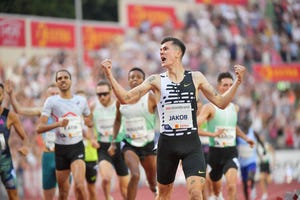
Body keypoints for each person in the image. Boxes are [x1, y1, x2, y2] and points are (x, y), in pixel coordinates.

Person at [101, 36, 246, 200]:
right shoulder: (156, 80)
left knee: (196, 193)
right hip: (167, 144)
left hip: (191, 143)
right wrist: (109, 75)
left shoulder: (196, 77)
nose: (161, 51)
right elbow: (126, 99)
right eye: (160, 49)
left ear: (177, 53)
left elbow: (220, 102)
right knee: (163, 195)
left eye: (165, 49)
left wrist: (238, 81)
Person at [36, 69, 93, 200]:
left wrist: (89, 123)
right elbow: (39, 128)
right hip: (60, 150)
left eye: (65, 77)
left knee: (79, 185)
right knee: (63, 192)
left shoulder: (81, 100)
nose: (63, 80)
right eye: (59, 78)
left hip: (77, 147)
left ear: (70, 81)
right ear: (56, 82)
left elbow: (90, 120)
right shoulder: (51, 101)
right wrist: (58, 124)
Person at [197, 72, 254, 200]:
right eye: (225, 85)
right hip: (215, 154)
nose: (228, 88)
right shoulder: (209, 107)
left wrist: (246, 138)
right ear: (218, 87)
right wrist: (212, 133)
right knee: (216, 192)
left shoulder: (235, 108)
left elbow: (233, 127)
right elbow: (196, 125)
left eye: (230, 85)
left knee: (231, 186)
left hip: (231, 153)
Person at [5, 80, 59, 200]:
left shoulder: (67, 110)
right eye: (51, 94)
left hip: (63, 154)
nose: (54, 96)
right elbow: (19, 110)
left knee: (64, 191)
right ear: (47, 97)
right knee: (48, 195)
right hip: (48, 155)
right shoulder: (42, 111)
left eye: (56, 93)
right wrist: (11, 95)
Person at [109, 67, 157, 200]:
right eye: (131, 77)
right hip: (129, 144)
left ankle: (155, 191)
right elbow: (117, 120)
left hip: (148, 145)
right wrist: (113, 142)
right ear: (128, 80)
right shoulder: (121, 100)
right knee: (135, 175)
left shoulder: (151, 98)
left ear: (143, 80)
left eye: (138, 77)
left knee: (153, 183)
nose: (134, 79)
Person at [92, 80, 129, 200]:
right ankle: (108, 197)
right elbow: (87, 124)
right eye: (99, 95)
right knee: (106, 178)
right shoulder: (93, 106)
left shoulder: (119, 105)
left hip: (119, 146)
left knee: (125, 189)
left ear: (111, 92)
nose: (102, 97)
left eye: (104, 94)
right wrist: (92, 138)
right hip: (103, 147)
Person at [0, 82, 29, 200]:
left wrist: (25, 147)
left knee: (13, 194)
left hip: (5, 162)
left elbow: (25, 138)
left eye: (0, 94)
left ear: (3, 96)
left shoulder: (10, 116)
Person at [75, 89, 99, 200]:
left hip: (90, 156)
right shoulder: (71, 118)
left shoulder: (92, 116)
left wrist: (91, 137)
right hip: (75, 157)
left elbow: (98, 135)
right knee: (78, 187)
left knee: (91, 189)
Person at [237, 110, 265, 200]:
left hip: (251, 160)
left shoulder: (253, 132)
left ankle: (252, 188)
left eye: (249, 123)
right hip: (242, 162)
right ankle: (247, 198)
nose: (247, 125)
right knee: (244, 183)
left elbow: (260, 141)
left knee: (250, 176)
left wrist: (264, 149)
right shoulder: (238, 134)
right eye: (245, 123)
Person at [257, 135, 275, 200]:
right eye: (260, 137)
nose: (261, 138)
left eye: (262, 137)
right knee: (261, 178)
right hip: (262, 164)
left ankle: (265, 185)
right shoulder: (258, 146)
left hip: (267, 164)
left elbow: (273, 151)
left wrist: (273, 161)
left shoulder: (267, 145)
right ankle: (264, 193)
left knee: (269, 180)